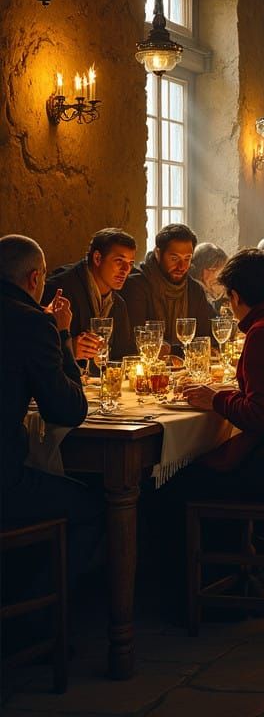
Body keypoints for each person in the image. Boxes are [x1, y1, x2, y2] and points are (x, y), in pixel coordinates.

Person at [156, 250, 264, 616]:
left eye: (228, 298)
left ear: (236, 296)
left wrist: (217, 400)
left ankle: (198, 595)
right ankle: (235, 573)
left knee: (170, 488)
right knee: (203, 469)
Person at [1, 235, 102, 581]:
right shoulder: (31, 322)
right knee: (93, 508)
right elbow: (69, 410)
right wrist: (62, 334)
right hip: (6, 484)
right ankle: (40, 616)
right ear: (34, 279)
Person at [44, 227, 136, 361]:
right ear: (97, 258)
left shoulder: (118, 305)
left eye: (131, 263)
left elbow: (122, 356)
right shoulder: (60, 291)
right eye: (119, 261)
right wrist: (70, 348)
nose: (126, 270)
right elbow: (35, 350)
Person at [121, 223, 213, 348]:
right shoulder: (136, 285)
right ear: (158, 254)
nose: (181, 266)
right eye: (174, 258)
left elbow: (204, 340)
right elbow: (137, 343)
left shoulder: (195, 290)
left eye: (187, 259)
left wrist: (170, 350)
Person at [190, 242, 229, 314]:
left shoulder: (222, 293)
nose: (216, 276)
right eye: (212, 270)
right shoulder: (192, 293)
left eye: (219, 270)